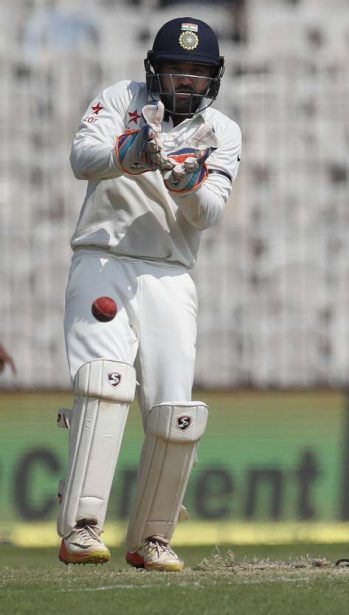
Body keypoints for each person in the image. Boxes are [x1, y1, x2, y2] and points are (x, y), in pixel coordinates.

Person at [57, 17, 241, 572]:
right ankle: (82, 528)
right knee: (105, 384)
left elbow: (209, 213)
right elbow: (81, 158)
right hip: (103, 259)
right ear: (154, 71)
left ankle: (153, 538)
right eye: (176, 70)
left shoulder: (223, 132)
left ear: (213, 79)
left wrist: (185, 184)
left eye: (197, 73)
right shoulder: (121, 98)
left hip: (170, 272)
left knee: (173, 408)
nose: (186, 82)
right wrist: (128, 153)